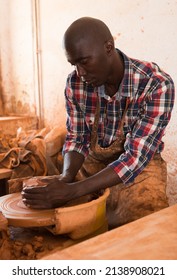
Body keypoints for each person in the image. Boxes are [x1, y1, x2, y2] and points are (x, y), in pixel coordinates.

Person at [22, 17, 175, 229]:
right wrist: (67, 178)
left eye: (84, 62)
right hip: (91, 169)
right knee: (62, 227)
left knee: (145, 233)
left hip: (138, 173)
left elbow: (134, 157)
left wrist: (75, 190)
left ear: (108, 48)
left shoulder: (156, 85)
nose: (80, 73)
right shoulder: (75, 83)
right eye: (73, 64)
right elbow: (77, 138)